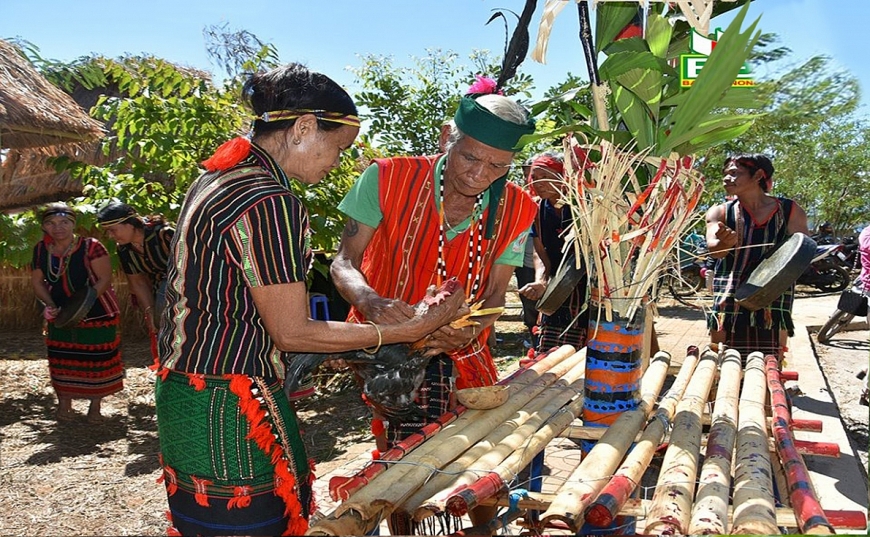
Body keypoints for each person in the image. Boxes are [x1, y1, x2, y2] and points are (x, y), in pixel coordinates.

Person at [153, 63, 466, 536]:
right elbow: (292, 330)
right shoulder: (267, 199)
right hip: (231, 408)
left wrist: (347, 344)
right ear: (302, 128)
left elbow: (235, 306)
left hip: (187, 395)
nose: (338, 162)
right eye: (338, 147)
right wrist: (408, 330)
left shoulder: (219, 178)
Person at [330, 91, 538, 451]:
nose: (479, 175)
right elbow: (344, 262)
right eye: (470, 157)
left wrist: (474, 328)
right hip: (387, 342)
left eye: (497, 167)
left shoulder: (518, 207)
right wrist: (371, 301)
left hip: (464, 342)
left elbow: (495, 292)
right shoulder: (386, 178)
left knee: (478, 449)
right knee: (406, 448)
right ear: (447, 138)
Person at [705, 153, 809, 362]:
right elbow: (715, 251)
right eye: (725, 174)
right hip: (730, 289)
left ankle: (771, 387)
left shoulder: (789, 211)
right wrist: (726, 243)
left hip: (773, 291)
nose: (727, 179)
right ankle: (721, 386)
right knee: (723, 350)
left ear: (758, 175)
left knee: (771, 349)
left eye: (735, 173)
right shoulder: (720, 212)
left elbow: (800, 252)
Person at [30, 202, 123, 422]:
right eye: (51, 223)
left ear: (73, 224)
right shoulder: (41, 249)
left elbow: (104, 279)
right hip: (60, 311)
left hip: (97, 312)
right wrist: (53, 307)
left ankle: (95, 408)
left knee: (96, 360)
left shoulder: (91, 246)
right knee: (62, 359)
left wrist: (81, 308)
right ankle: (64, 406)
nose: (58, 228)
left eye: (64, 222)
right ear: (44, 227)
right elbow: (38, 282)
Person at [524, 152, 591, 355]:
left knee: (586, 357)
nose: (538, 183)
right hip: (558, 291)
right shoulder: (536, 210)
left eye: (545, 175)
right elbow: (541, 255)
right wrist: (541, 281)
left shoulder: (585, 206)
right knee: (549, 355)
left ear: (563, 175)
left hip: (589, 293)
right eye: (534, 178)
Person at [96, 201, 174, 334]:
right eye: (108, 232)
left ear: (130, 225)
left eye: (113, 230)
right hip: (161, 297)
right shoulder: (125, 250)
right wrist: (150, 313)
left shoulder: (165, 235)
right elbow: (138, 282)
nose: (110, 236)